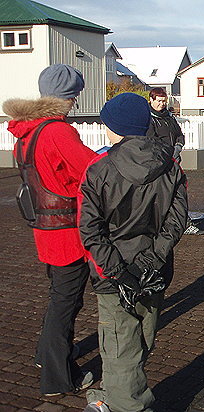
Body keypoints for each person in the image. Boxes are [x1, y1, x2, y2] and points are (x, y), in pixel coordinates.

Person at [78, 93, 188, 411]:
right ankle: (117, 395)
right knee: (141, 337)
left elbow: (90, 230)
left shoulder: (99, 169)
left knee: (118, 342)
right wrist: (150, 261)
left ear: (115, 127)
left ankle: (125, 403)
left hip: (113, 274)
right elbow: (176, 220)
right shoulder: (169, 165)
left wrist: (120, 271)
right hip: (154, 269)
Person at [3, 64, 95, 396]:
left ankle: (46, 355)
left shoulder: (28, 132)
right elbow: (90, 170)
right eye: (75, 96)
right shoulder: (57, 131)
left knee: (59, 297)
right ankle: (59, 377)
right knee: (66, 304)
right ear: (69, 97)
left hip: (45, 228)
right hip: (68, 231)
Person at [145, 87, 204, 236]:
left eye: (164, 101)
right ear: (151, 100)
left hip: (174, 161)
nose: (161, 104)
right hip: (160, 164)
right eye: (158, 101)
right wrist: (168, 153)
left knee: (180, 191)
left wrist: (178, 147)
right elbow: (152, 142)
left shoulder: (169, 117)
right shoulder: (149, 119)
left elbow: (179, 135)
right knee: (162, 195)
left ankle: (184, 223)